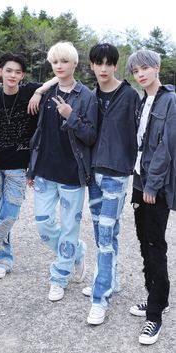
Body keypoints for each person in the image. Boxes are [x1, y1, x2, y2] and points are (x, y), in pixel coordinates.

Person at [0, 52, 57, 279]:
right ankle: (3, 260)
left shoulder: (29, 92)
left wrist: (38, 91)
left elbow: (58, 77)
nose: (12, 75)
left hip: (18, 165)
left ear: (23, 75)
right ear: (0, 72)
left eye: (17, 72)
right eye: (8, 71)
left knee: (9, 214)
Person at [27, 41, 98, 302]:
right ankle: (76, 252)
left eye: (64, 62)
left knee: (69, 228)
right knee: (44, 224)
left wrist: (71, 117)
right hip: (45, 170)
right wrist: (31, 168)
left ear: (74, 64)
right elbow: (40, 134)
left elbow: (90, 135)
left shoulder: (87, 96)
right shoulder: (45, 93)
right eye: (55, 62)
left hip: (71, 174)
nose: (59, 66)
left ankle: (59, 276)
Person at [83, 43, 140, 325]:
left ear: (115, 65)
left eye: (108, 63)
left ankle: (99, 298)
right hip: (93, 175)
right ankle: (110, 280)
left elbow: (141, 134)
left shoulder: (130, 95)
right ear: (92, 65)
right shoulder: (90, 96)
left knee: (105, 237)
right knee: (103, 235)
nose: (103, 68)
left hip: (117, 174)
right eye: (98, 63)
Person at [126, 49, 176, 345]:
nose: (141, 74)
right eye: (135, 71)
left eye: (145, 68)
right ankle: (157, 295)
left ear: (157, 67)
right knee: (145, 241)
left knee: (155, 244)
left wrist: (152, 186)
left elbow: (165, 150)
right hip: (139, 180)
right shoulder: (144, 100)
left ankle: (154, 316)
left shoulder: (170, 101)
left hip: (154, 184)